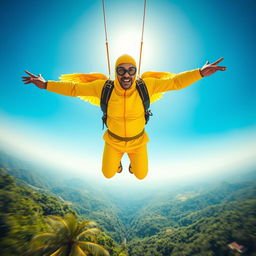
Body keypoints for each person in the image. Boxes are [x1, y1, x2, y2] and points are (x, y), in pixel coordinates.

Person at [22, 54, 226, 180]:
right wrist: (46, 84)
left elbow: (175, 82)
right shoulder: (104, 87)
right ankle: (119, 163)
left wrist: (199, 72)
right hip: (113, 142)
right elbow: (74, 89)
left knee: (141, 175)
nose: (126, 75)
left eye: (131, 70)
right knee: (108, 174)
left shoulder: (146, 85)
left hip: (138, 142)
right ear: (116, 72)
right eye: (121, 70)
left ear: (136, 72)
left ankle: (130, 164)